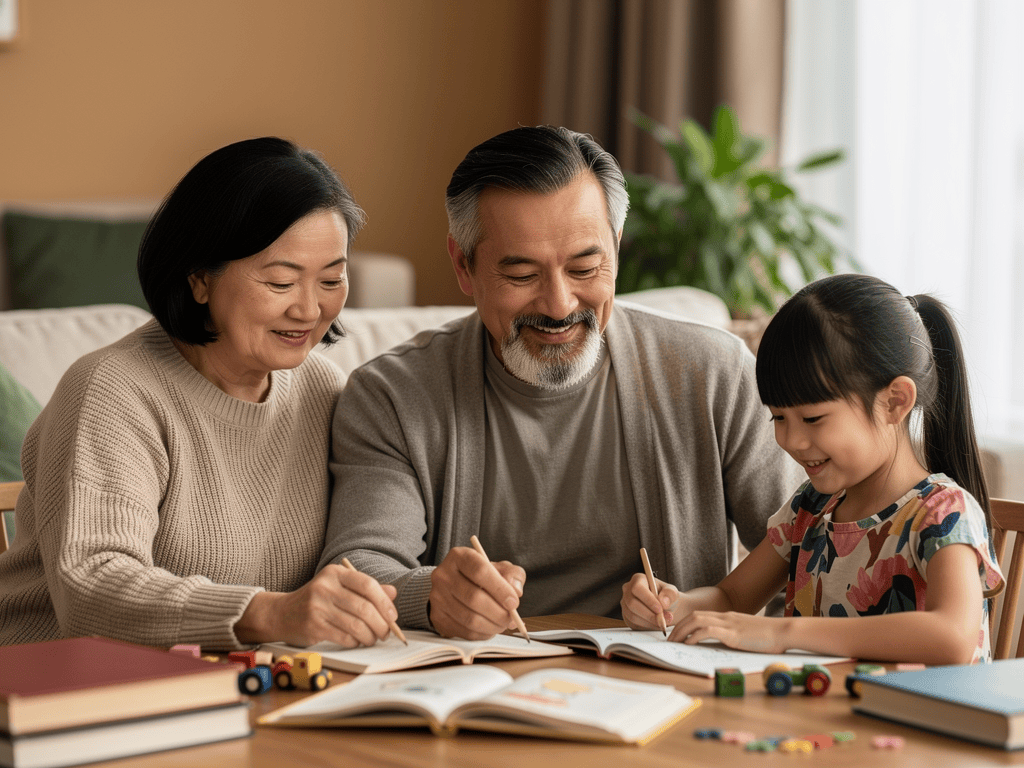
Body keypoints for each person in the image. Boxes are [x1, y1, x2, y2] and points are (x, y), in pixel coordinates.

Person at [318, 125, 802, 640]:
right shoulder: (392, 396)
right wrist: (433, 596)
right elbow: (359, 567)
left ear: (615, 250)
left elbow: (810, 544)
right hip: (480, 690)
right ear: (464, 264)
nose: (559, 305)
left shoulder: (713, 375)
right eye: (523, 275)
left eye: (585, 267)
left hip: (670, 690)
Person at [0, 137, 400, 650]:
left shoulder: (323, 391)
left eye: (332, 280)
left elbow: (353, 563)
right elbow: (92, 588)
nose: (309, 310)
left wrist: (437, 597)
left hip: (239, 684)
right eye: (281, 283)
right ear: (199, 279)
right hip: (64, 691)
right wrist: (269, 613)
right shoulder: (112, 392)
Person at [622, 273, 1005, 664]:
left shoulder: (942, 515)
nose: (791, 441)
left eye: (813, 418)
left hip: (918, 723)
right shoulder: (810, 508)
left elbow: (952, 638)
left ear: (894, 402)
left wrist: (783, 632)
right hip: (827, 719)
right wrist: (675, 605)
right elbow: (732, 598)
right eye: (778, 419)